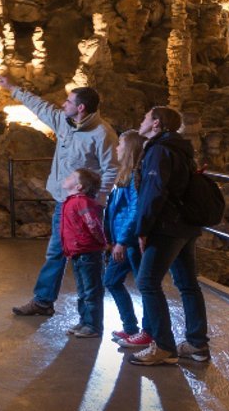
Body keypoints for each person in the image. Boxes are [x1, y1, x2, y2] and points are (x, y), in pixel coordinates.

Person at [0, 77, 116, 318]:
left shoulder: (102, 133)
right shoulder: (64, 122)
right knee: (55, 252)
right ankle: (43, 301)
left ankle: (90, 318)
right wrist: (13, 89)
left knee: (85, 261)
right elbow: (40, 106)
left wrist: (95, 202)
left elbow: (112, 168)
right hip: (64, 203)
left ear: (81, 107)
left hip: (84, 208)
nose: (64, 104)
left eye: (69, 101)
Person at [120, 106, 209, 366]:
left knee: (147, 282)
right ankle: (196, 344)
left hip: (166, 227)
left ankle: (164, 346)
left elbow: (153, 192)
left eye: (145, 117)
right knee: (187, 284)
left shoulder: (159, 150)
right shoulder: (180, 148)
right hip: (185, 226)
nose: (141, 121)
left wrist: (143, 229)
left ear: (156, 123)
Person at [101, 131, 144, 341]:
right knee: (111, 280)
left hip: (130, 242)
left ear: (129, 149)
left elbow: (135, 211)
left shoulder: (134, 176)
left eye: (120, 144)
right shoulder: (124, 175)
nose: (116, 148)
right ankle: (131, 328)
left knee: (144, 286)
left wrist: (122, 241)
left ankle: (144, 331)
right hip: (122, 240)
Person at [58, 168, 109, 338]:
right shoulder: (72, 201)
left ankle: (93, 325)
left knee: (91, 290)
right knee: (82, 290)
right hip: (77, 252)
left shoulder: (82, 202)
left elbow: (93, 224)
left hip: (88, 252)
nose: (67, 177)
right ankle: (85, 320)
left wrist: (102, 243)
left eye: (72, 176)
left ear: (79, 186)